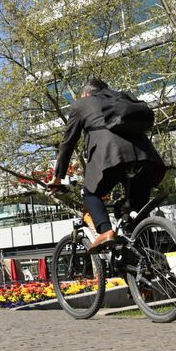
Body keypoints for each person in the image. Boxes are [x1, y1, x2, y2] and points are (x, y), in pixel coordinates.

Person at [48, 78, 165, 253]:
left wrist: (57, 178)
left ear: (86, 93)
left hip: (111, 156)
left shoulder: (82, 104)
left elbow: (68, 143)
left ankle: (105, 231)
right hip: (146, 157)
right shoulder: (122, 98)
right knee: (136, 215)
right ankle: (151, 259)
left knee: (90, 194)